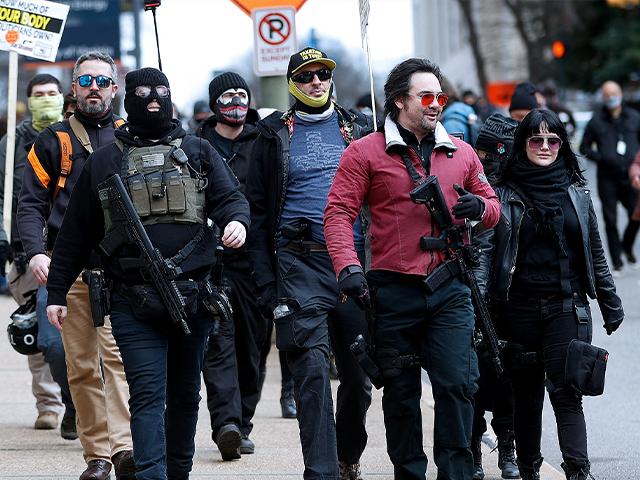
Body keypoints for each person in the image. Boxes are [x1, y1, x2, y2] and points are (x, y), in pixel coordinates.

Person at [45, 67, 250, 480]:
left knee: (185, 395)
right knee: (146, 394)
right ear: (129, 97)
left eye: (161, 91)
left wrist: (236, 223)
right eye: (142, 93)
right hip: (131, 300)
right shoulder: (106, 160)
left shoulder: (197, 151)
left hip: (193, 297)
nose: (152, 99)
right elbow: (75, 234)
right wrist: (56, 293)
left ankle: (178, 472)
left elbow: (231, 199)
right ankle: (151, 474)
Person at [324, 57, 500, 480]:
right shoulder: (364, 152)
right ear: (400, 101)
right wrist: (348, 267)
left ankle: (456, 472)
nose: (436, 103)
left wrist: (481, 209)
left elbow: (494, 207)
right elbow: (337, 214)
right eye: (426, 96)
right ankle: (410, 473)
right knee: (400, 395)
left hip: (451, 287)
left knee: (458, 385)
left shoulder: (462, 151)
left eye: (440, 95)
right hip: (391, 291)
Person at [246, 47, 374, 480]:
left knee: (358, 379)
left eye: (323, 74)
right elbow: (258, 212)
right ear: (291, 84)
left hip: (354, 267)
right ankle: (320, 472)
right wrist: (267, 284)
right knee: (313, 376)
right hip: (299, 268)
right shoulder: (271, 134)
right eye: (306, 76)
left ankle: (347, 455)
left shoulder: (359, 127)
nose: (317, 82)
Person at [479, 109, 624, 480]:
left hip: (566, 307)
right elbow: (485, 256)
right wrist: (478, 311)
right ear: (522, 144)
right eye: (536, 140)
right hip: (517, 311)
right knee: (527, 399)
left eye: (552, 140)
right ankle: (529, 470)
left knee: (567, 393)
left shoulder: (577, 194)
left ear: (562, 144)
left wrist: (609, 303)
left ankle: (578, 470)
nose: (545, 147)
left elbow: (595, 252)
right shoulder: (503, 194)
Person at [17, 51, 134, 480]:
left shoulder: (132, 137)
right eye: (86, 82)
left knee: (119, 361)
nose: (94, 89)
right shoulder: (51, 141)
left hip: (124, 273)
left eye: (102, 82)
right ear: (74, 88)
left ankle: (124, 450)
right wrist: (37, 252)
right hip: (72, 271)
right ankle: (97, 456)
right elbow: (29, 205)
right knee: (82, 367)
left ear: (115, 88)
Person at [197, 71, 266, 459]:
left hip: (255, 264)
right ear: (214, 103)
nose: (235, 101)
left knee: (252, 347)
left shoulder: (266, 142)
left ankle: (244, 420)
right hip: (210, 263)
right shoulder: (197, 144)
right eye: (227, 96)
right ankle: (227, 425)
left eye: (242, 94)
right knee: (218, 345)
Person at [0, 73, 65, 431]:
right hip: (25, 254)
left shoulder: (75, 135)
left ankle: (78, 399)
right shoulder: (11, 144)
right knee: (39, 335)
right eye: (39, 94)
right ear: (28, 100)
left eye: (52, 93)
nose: (46, 98)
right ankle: (48, 405)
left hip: (70, 252)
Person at [470, 112, 520, 480]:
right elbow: (482, 250)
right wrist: (479, 301)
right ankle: (473, 447)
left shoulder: (519, 190)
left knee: (508, 381)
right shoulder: (473, 187)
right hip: (476, 296)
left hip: (512, 299)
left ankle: (509, 447)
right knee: (471, 379)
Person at [579, 80, 640, 272]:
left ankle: (627, 245)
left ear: (620, 94)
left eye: (614, 94)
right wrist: (601, 158)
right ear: (603, 98)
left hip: (631, 175)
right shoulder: (596, 120)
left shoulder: (634, 117)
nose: (611, 98)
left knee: (635, 214)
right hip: (608, 177)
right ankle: (617, 260)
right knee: (610, 219)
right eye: (607, 95)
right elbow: (584, 146)